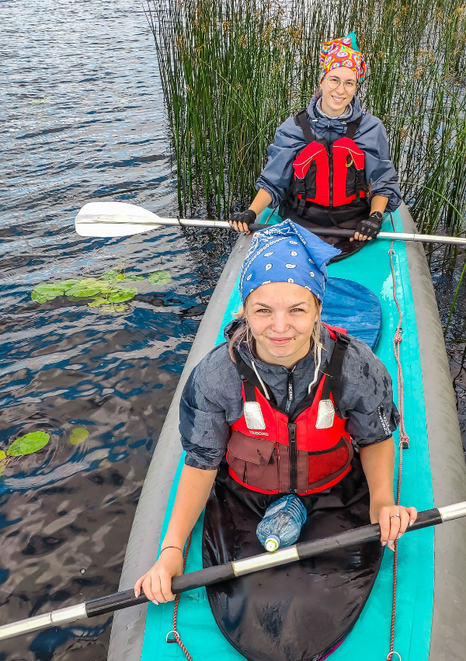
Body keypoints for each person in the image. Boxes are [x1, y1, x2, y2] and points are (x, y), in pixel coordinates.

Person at [134, 220, 416, 604]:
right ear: (245, 310)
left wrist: (382, 502)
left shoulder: (356, 366)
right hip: (246, 494)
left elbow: (376, 436)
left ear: (318, 308)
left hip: (332, 489)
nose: (280, 328)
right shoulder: (217, 376)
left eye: (297, 310)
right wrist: (171, 551)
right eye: (263, 310)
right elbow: (201, 461)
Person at [229, 33, 401, 255]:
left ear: (356, 86)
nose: (340, 90)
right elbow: (274, 181)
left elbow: (382, 180)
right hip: (300, 223)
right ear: (322, 81)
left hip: (353, 226)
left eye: (349, 83)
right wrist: (251, 213)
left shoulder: (371, 128)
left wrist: (375, 217)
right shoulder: (293, 128)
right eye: (334, 80)